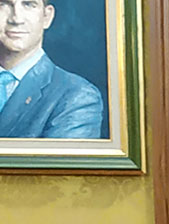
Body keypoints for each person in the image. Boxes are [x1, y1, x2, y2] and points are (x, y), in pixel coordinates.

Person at [0, 0, 103, 138]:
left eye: (29, 4)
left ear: (46, 17)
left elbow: (60, 160)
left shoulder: (78, 96)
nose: (16, 19)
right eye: (2, 4)